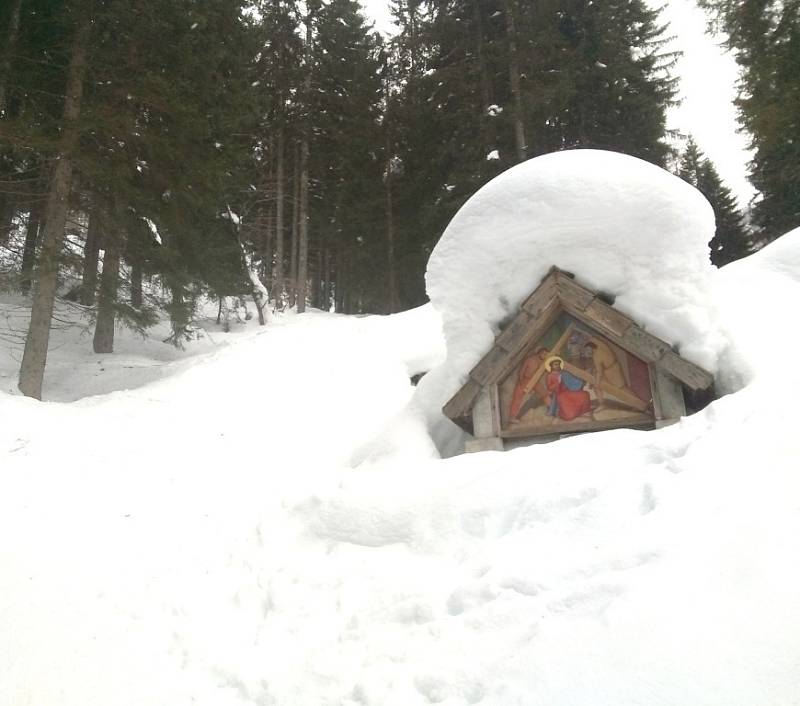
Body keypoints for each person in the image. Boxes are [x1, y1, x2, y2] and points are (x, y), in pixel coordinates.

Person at [545, 356, 592, 422]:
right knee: (564, 400)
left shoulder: (564, 373)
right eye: (555, 364)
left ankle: (581, 412)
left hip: (567, 391)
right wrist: (557, 383)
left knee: (584, 394)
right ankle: (570, 414)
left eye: (558, 364)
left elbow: (571, 381)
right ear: (551, 366)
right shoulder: (550, 376)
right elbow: (549, 387)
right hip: (559, 393)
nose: (557, 366)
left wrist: (580, 380)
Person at [509, 347, 549, 422]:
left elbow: (544, 371)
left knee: (544, 393)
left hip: (534, 381)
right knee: (517, 397)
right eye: (544, 354)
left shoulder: (542, 362)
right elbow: (522, 371)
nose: (545, 355)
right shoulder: (530, 359)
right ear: (539, 353)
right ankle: (512, 417)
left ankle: (552, 409)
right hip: (524, 380)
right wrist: (521, 381)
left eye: (546, 354)